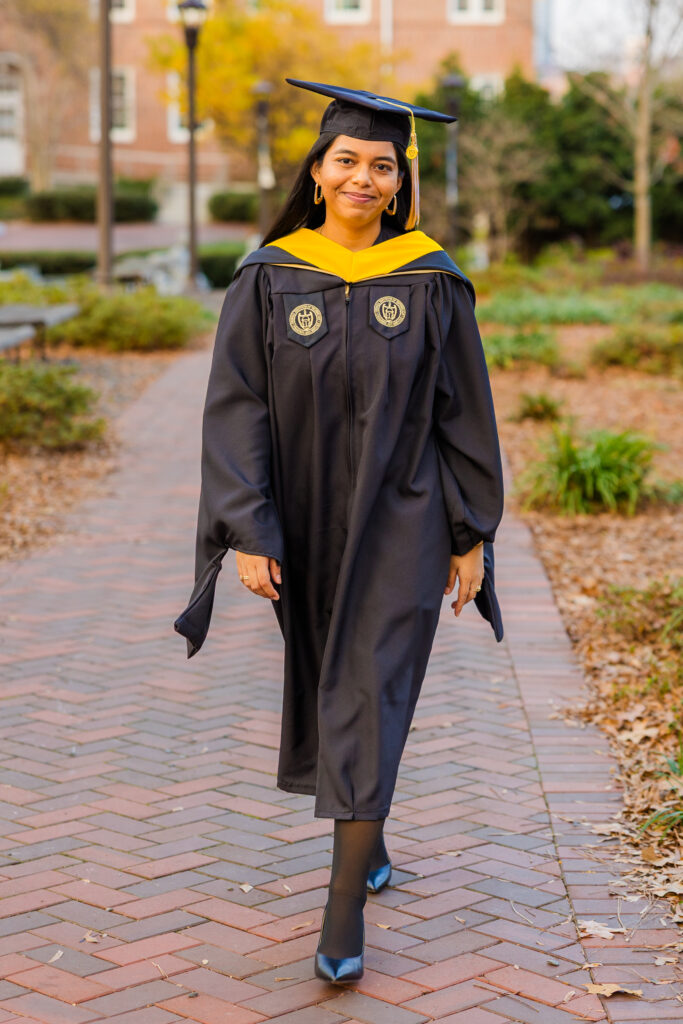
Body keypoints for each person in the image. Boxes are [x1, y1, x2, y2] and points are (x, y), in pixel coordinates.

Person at [174, 79, 505, 984]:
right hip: (303, 523)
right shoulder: (271, 275)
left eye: (382, 166)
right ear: (317, 173)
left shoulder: (432, 281)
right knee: (337, 682)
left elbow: (463, 411)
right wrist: (247, 528)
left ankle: (342, 907)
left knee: (370, 685)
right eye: (347, 161)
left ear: (399, 184)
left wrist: (470, 530)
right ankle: (374, 833)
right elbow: (234, 409)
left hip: (404, 513)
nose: (364, 177)